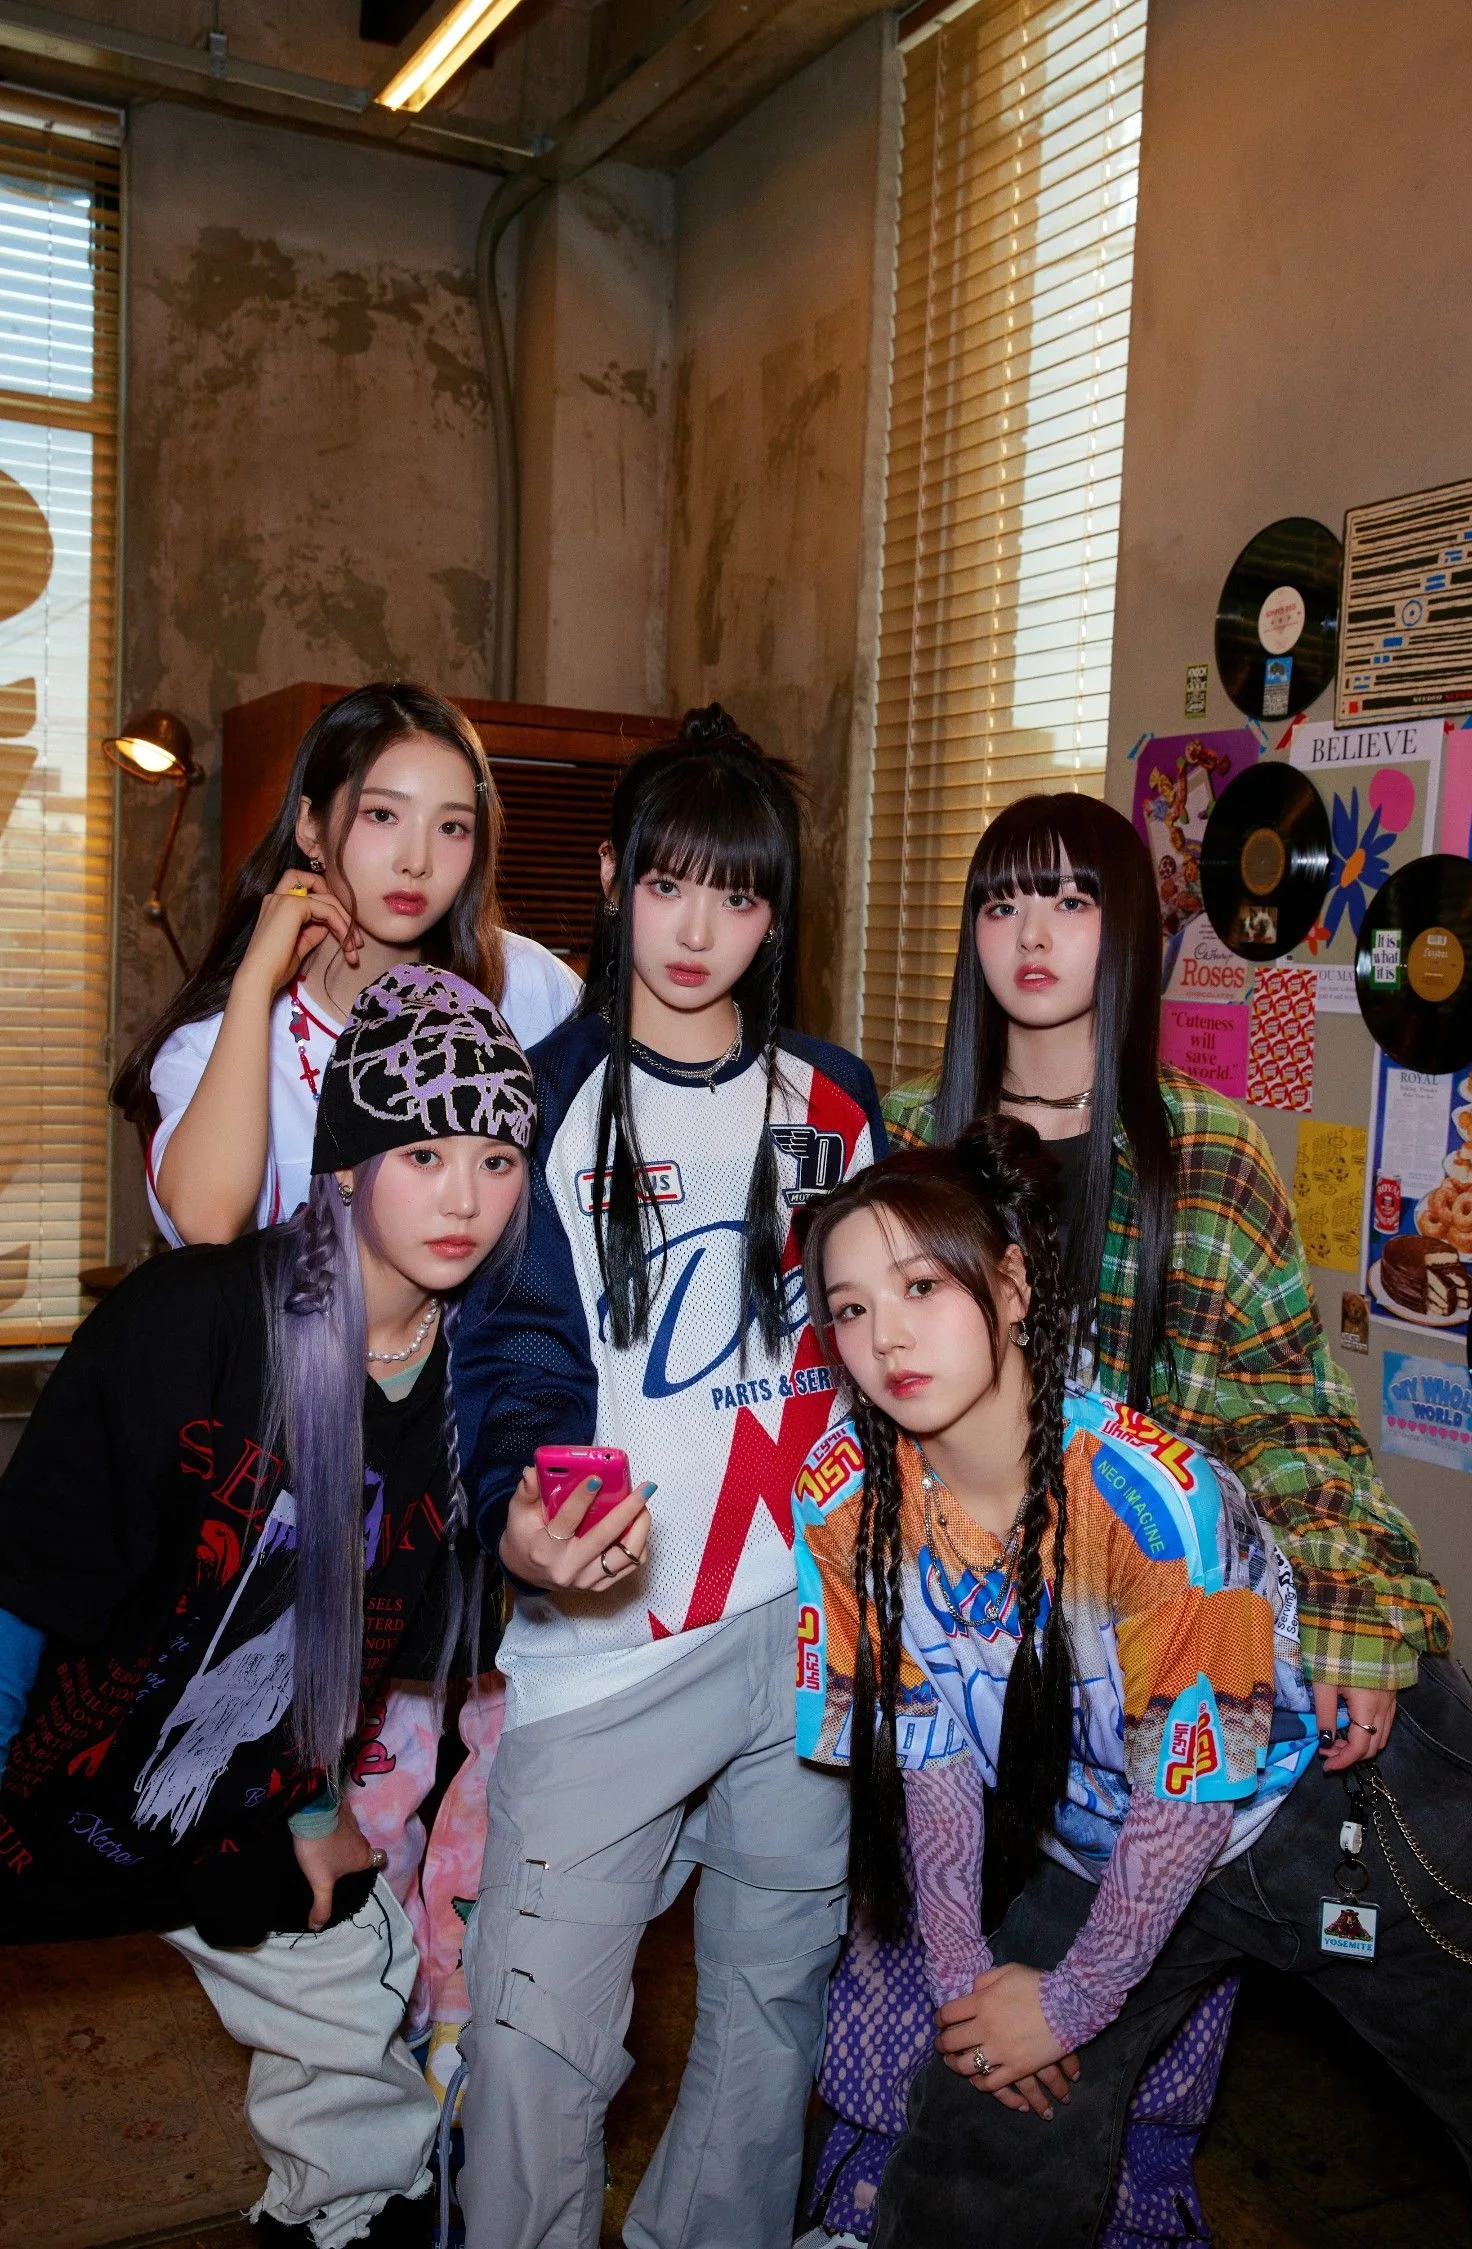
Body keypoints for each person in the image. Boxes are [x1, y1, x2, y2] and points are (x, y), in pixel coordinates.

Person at [802, 792, 1452, 2247]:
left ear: (1128, 929)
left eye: (1068, 899)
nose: (1029, 934)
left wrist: (1355, 1615)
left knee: (1111, 2059)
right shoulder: (904, 1130)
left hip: (1145, 1697)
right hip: (954, 1663)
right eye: (999, 901)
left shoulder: (1203, 1150)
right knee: (922, 2044)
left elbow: (1287, 1414)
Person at [0, 966, 536, 2248]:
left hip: (230, 1803)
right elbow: (25, 1585)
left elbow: (352, 1648)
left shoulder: (477, 1390)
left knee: (356, 1995)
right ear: (345, 1164)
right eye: (422, 1153)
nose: (464, 1199)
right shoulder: (192, 1320)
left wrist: (311, 1809)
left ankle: (340, 2222)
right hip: (41, 1776)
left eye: (496, 1159)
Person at [450, 705, 888, 2249]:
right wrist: (519, 1514)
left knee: (769, 2015)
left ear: (776, 913)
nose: (697, 930)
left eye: (738, 895)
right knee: (530, 2045)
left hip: (807, 1629)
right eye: (666, 884)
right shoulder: (533, 1099)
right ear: (611, 880)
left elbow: (878, 1352)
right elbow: (508, 1360)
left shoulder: (836, 1101)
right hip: (606, 1648)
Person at [111, 681, 578, 2076]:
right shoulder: (234, 1032)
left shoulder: (525, 990)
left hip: (459, 1456)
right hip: (301, 1490)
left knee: (482, 1825)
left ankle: (449, 2094)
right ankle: (362, 2118)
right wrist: (260, 977)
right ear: (314, 826)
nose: (417, 859)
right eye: (381, 817)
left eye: (452, 826)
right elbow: (207, 1223)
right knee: (335, 1856)